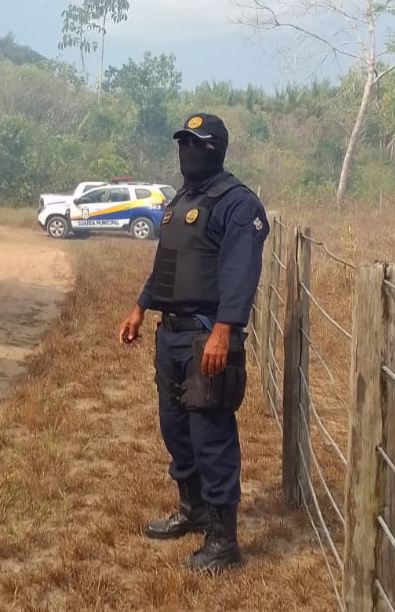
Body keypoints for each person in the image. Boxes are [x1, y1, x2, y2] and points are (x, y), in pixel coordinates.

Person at [117, 112, 269, 573]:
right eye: (183, 141)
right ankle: (193, 508)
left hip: (209, 334)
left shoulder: (238, 204)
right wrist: (141, 307)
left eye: (197, 143)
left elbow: (242, 272)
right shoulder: (182, 197)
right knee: (175, 427)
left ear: (216, 149)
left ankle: (224, 539)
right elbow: (168, 263)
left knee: (210, 433)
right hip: (171, 334)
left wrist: (225, 328)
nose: (188, 150)